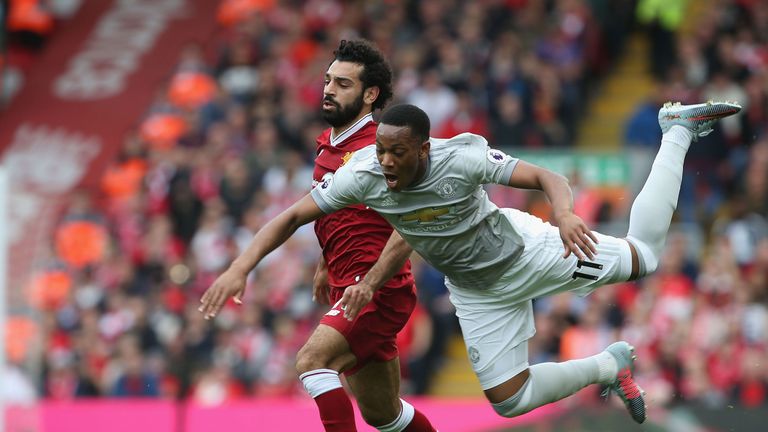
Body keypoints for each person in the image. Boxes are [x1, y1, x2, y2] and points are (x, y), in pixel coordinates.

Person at [200, 100, 741, 425]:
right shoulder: (362, 174)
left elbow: (545, 177)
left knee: (644, 256)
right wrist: (238, 267)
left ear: (425, 150)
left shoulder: (462, 158)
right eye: (381, 149)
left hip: (527, 254)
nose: (386, 161)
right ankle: (610, 365)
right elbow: (293, 217)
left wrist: (567, 214)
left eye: (398, 152)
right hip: (476, 291)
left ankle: (675, 129)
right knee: (509, 401)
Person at [203, 40, 437, 432]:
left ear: (370, 94)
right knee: (384, 414)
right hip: (346, 284)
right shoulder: (331, 145)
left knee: (312, 362)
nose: (328, 88)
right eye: (328, 80)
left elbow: (412, 223)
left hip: (375, 289)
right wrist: (324, 261)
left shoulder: (383, 148)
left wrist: (239, 268)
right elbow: (338, 213)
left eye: (343, 84)